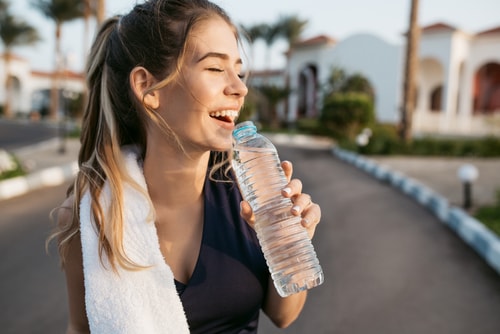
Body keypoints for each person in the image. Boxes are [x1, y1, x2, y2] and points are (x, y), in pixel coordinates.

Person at [49, 0, 322, 333]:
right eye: (215, 68)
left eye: (239, 71)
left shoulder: (248, 193)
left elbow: (284, 315)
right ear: (147, 87)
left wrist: (292, 245)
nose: (239, 88)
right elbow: (80, 328)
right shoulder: (93, 215)